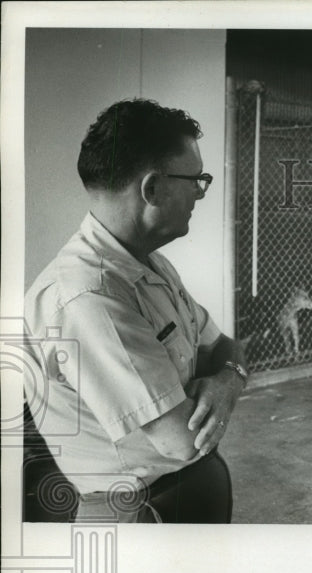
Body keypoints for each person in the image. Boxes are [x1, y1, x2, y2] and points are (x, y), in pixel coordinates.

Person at [23, 99, 249, 523]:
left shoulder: (146, 263)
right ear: (151, 189)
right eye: (196, 179)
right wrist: (224, 378)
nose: (201, 192)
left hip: (178, 497)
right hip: (143, 515)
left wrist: (227, 381)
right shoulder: (90, 297)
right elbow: (181, 438)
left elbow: (222, 345)